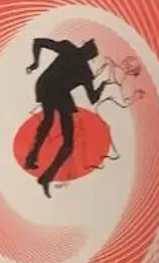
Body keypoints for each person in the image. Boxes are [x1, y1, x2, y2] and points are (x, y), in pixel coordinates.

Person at [23, 37, 107, 195]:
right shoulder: (86, 72)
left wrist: (36, 63)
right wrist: (102, 85)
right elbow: (93, 98)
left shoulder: (69, 48)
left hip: (47, 87)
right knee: (66, 140)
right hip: (55, 91)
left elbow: (37, 42)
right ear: (90, 57)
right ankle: (45, 175)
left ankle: (32, 159)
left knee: (49, 122)